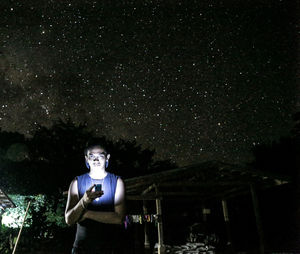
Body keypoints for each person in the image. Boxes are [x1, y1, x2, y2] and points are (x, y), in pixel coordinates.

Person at [65, 139, 126, 254]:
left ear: (107, 157)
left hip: (110, 248)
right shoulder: (76, 182)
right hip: (81, 248)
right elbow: (69, 219)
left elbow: (119, 218)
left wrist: (86, 213)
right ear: (86, 159)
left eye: (100, 156)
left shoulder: (117, 182)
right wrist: (84, 201)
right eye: (92, 156)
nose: (96, 159)